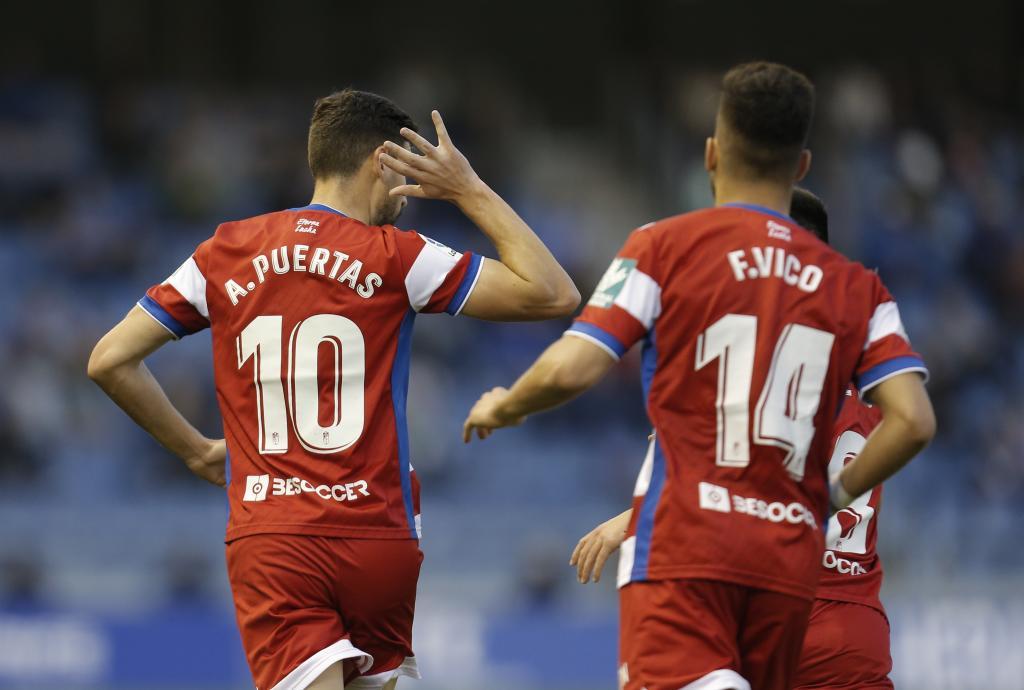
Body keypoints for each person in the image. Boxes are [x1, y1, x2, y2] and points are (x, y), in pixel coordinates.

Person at [461, 62, 935, 690]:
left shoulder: (662, 247)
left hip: (690, 563)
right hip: (794, 577)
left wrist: (506, 404)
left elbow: (575, 365)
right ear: (800, 165)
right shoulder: (859, 291)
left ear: (711, 155)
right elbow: (914, 421)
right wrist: (828, 497)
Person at [88, 89, 580, 690]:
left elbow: (109, 360)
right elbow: (554, 293)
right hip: (379, 538)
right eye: (405, 173)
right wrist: (467, 189)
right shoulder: (399, 257)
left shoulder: (224, 252)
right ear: (380, 162)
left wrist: (194, 451)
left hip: (277, 537)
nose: (408, 194)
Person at [571, 188, 896, 690]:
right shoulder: (873, 364)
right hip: (856, 629)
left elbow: (734, 481)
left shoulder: (754, 362)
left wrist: (626, 523)